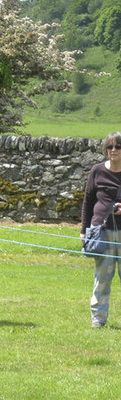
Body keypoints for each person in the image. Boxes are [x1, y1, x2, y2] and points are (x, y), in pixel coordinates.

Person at [81, 132, 121, 327]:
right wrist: (83, 230)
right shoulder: (97, 171)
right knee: (102, 279)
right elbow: (88, 202)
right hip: (102, 232)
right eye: (110, 147)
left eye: (118, 147)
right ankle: (98, 320)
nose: (113, 151)